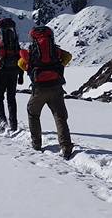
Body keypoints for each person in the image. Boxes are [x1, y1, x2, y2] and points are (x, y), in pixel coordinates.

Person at [18, 26, 74, 159]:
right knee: (60, 117)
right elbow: (68, 56)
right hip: (56, 88)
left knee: (33, 113)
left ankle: (36, 144)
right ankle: (66, 146)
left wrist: (29, 69)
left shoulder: (30, 53)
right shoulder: (55, 51)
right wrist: (59, 65)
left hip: (39, 90)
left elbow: (20, 63)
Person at [0, 18, 23, 132]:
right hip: (14, 71)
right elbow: (20, 56)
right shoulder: (14, 38)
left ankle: (2, 120)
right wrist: (21, 75)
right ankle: (14, 124)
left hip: (0, 72)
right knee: (11, 98)